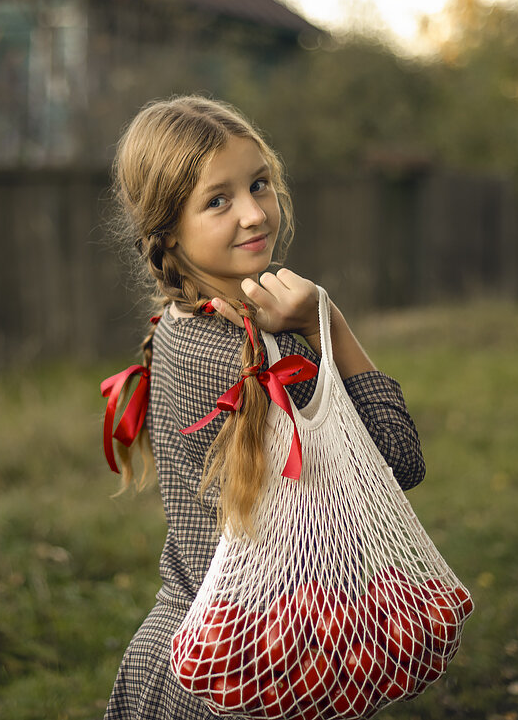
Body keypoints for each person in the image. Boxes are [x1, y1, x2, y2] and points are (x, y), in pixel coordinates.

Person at [100, 95, 425, 719]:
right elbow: (398, 461)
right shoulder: (252, 357)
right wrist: (327, 320)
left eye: (259, 184)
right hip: (248, 673)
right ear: (169, 229)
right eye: (217, 200)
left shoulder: (179, 326)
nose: (254, 214)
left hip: (194, 649)